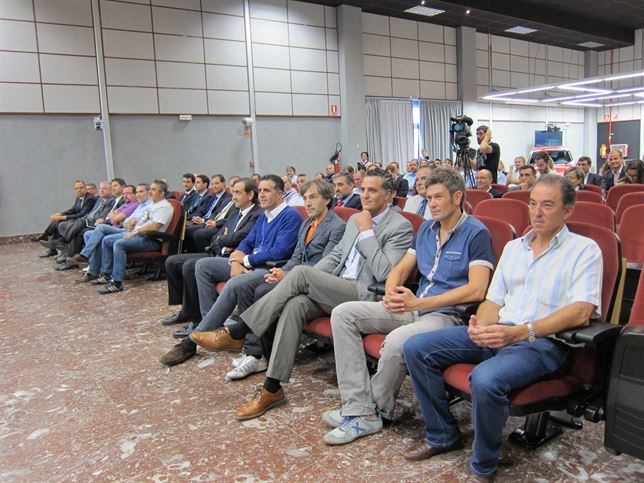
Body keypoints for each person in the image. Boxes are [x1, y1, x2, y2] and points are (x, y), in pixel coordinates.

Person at [402, 174, 602, 480]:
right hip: (500, 333)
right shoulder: (513, 248)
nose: (536, 212)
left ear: (568, 211)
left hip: (543, 343)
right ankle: (442, 435)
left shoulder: (584, 250)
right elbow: (493, 301)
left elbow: (581, 311)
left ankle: (484, 465)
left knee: (484, 378)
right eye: (533, 204)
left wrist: (522, 332)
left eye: (547, 205)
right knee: (416, 347)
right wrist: (480, 325)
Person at [188, 170, 414, 421]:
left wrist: (367, 233)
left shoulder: (399, 226)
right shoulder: (355, 221)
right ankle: (272, 388)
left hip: (364, 295)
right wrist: (310, 281)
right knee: (295, 304)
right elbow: (336, 257)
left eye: (373, 190)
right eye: (364, 190)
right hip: (337, 287)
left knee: (301, 276)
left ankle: (239, 330)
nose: (366, 195)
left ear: (390, 194)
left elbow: (384, 272)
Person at [323, 168, 494, 445]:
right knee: (344, 314)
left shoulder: (476, 233)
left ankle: (370, 412)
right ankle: (358, 407)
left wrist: (419, 302)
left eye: (439, 197)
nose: (433, 203)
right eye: (429, 197)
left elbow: (477, 289)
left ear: (457, 197)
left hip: (446, 315)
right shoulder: (427, 228)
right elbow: (401, 268)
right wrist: (392, 290)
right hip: (414, 306)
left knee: (395, 342)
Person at [159, 175, 301, 366]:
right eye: (261, 190)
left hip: (269, 267)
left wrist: (246, 261)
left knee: (234, 283)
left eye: (267, 190)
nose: (262, 195)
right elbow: (247, 242)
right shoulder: (264, 216)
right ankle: (213, 329)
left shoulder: (290, 216)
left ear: (280, 193)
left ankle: (192, 341)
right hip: (247, 263)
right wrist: (236, 261)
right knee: (203, 266)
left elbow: (280, 250)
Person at [160, 178, 261, 333]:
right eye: (233, 192)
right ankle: (186, 309)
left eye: (237, 192)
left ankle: (198, 319)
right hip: (218, 253)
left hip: (233, 259)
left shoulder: (257, 214)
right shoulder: (235, 212)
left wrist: (225, 239)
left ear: (250, 195)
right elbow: (217, 237)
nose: (233, 196)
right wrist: (222, 240)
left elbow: (240, 237)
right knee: (172, 261)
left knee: (190, 266)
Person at [91, 180, 175, 294]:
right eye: (150, 189)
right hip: (140, 235)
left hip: (151, 239)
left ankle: (117, 282)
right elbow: (135, 221)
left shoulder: (164, 207)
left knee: (119, 244)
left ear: (162, 193)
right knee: (107, 240)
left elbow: (155, 226)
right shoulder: (152, 205)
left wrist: (135, 232)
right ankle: (106, 274)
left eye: (154, 190)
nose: (150, 192)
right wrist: (131, 227)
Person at [69, 183, 152, 277]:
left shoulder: (137, 205)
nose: (125, 196)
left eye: (128, 193)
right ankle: (92, 265)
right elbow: (116, 217)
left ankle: (89, 260)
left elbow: (119, 220)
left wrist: (120, 220)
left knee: (101, 232)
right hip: (123, 228)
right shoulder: (135, 205)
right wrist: (122, 221)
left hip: (128, 230)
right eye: (137, 192)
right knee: (87, 233)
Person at [34, 179, 96, 244]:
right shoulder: (78, 197)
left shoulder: (90, 199)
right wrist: (60, 214)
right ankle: (49, 240)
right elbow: (73, 209)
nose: (79, 190)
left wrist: (64, 217)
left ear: (85, 188)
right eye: (76, 188)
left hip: (84, 221)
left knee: (59, 221)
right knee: (57, 220)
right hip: (77, 218)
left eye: (81, 188)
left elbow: (82, 214)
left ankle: (48, 237)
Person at [184, 174, 232, 253]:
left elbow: (219, 214)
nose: (214, 186)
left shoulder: (227, 198)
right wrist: (201, 219)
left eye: (217, 183)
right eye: (212, 184)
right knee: (185, 229)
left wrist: (204, 221)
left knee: (194, 233)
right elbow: (208, 211)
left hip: (215, 224)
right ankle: (189, 253)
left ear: (224, 184)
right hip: (206, 221)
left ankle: (202, 254)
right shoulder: (212, 196)